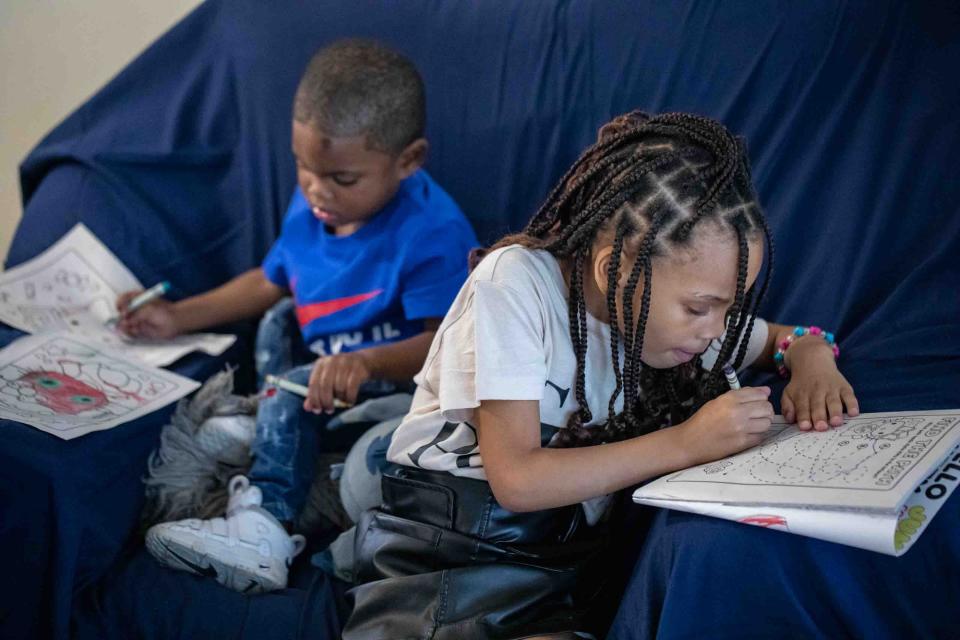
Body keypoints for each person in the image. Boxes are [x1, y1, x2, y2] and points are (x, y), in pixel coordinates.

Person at [342, 111, 860, 639]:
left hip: (560, 564)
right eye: (702, 308)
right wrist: (688, 442)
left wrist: (813, 359)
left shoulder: (677, 333)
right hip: (454, 554)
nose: (715, 332)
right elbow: (516, 480)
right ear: (617, 269)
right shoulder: (515, 284)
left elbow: (787, 337)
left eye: (728, 310)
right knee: (358, 472)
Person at [116, 39, 478, 593]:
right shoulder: (313, 204)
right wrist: (177, 317)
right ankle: (269, 429)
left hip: (401, 400)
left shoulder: (434, 233)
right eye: (303, 166)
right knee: (274, 337)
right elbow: (269, 281)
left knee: (293, 392)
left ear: (408, 160)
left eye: (341, 178)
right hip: (319, 388)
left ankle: (265, 529)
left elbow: (447, 348)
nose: (315, 189)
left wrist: (365, 361)